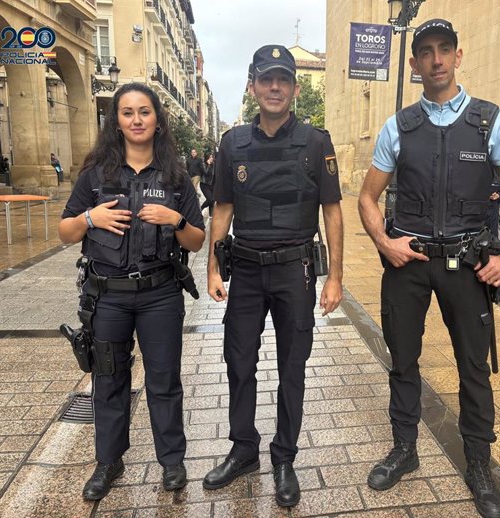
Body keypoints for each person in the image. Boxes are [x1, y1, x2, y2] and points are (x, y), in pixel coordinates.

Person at [357, 19, 500, 518]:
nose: (435, 60)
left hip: (468, 264)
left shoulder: (489, 121)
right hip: (408, 263)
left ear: (458, 56)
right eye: (426, 52)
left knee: (473, 369)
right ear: (413, 64)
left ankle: (478, 464)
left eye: (444, 50)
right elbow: (368, 197)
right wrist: (383, 241)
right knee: (403, 359)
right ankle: (405, 448)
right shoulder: (399, 126)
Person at [203, 45, 344, 508]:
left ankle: (284, 458)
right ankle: (243, 450)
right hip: (244, 269)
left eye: (283, 79)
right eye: (266, 79)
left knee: (292, 368)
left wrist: (335, 277)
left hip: (295, 272)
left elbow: (332, 211)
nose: (275, 87)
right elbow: (222, 207)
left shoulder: (317, 142)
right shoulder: (231, 143)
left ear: (295, 88)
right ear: (253, 86)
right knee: (238, 362)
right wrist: (213, 268)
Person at [58, 83, 206, 501]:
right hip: (108, 297)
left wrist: (177, 219)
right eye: (127, 112)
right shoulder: (96, 176)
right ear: (117, 121)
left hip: (160, 295)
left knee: (164, 380)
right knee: (107, 380)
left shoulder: (176, 177)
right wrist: (91, 216)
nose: (137, 119)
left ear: (157, 120)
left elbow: (196, 240)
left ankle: (172, 461)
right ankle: (109, 461)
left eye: (144, 111)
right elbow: (64, 232)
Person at [200, 152, 215, 218]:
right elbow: (206, 172)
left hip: (211, 185)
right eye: (210, 157)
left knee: (212, 200)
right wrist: (208, 165)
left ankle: (211, 214)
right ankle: (201, 208)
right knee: (210, 199)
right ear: (207, 158)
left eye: (212, 157)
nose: (211, 159)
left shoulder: (213, 165)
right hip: (204, 185)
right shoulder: (203, 164)